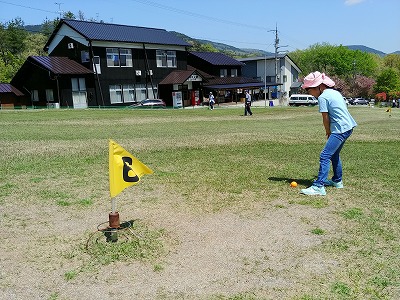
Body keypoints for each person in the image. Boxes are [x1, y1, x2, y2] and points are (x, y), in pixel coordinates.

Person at [300, 71, 357, 196]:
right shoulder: (335, 92)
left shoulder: (323, 97)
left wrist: (328, 132)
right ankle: (337, 181)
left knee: (325, 155)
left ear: (319, 87)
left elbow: (325, 118)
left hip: (339, 129)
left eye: (310, 90)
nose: (310, 93)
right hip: (348, 127)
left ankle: (319, 186)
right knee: (334, 154)